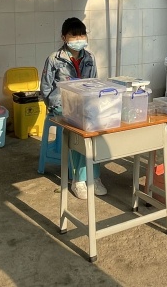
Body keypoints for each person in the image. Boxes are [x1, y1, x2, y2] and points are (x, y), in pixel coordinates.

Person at [40, 17, 106, 200]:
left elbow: (94, 83)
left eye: (82, 35)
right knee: (79, 129)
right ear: (64, 37)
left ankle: (94, 177)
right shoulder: (54, 59)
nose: (79, 39)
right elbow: (45, 88)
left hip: (84, 105)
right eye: (74, 35)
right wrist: (55, 107)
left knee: (97, 128)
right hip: (61, 106)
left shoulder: (90, 58)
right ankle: (79, 180)